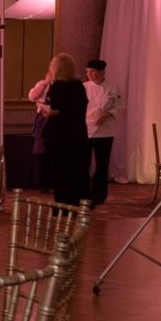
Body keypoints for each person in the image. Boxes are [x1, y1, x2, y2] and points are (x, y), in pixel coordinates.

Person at [42, 53, 89, 206]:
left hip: (60, 134)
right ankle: (80, 201)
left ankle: (63, 203)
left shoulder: (58, 86)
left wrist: (48, 112)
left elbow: (55, 109)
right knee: (77, 168)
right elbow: (79, 107)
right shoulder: (79, 86)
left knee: (61, 170)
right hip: (78, 133)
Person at [84, 59, 124, 205]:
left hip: (105, 132)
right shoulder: (84, 87)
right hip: (86, 130)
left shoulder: (113, 87)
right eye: (88, 72)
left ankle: (99, 195)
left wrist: (107, 115)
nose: (90, 75)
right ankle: (84, 193)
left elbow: (120, 107)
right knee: (84, 163)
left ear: (102, 72)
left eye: (93, 72)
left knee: (102, 164)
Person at [28, 68, 54, 192]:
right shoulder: (42, 84)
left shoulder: (63, 86)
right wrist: (45, 83)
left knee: (53, 151)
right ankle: (41, 182)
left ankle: (53, 182)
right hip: (42, 119)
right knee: (39, 149)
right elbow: (32, 97)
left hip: (56, 118)